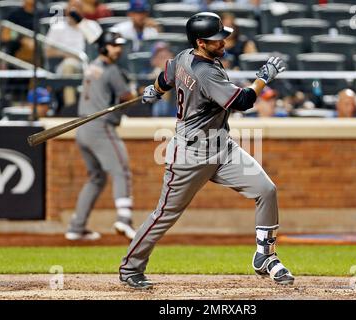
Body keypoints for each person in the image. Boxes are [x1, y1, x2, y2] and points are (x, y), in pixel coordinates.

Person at [119, 12, 294, 289]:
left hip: (222, 148)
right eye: (216, 40)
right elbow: (243, 101)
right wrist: (263, 78)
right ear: (200, 42)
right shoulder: (204, 71)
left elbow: (165, 77)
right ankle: (130, 268)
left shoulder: (183, 57)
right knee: (164, 215)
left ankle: (265, 256)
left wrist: (154, 89)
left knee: (266, 190)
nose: (223, 42)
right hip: (191, 155)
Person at [65, 31, 138, 241]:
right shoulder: (112, 70)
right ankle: (124, 220)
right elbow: (127, 98)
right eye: (115, 45)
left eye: (119, 45)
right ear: (104, 47)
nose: (119, 49)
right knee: (121, 171)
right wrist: (135, 92)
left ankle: (76, 227)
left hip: (83, 128)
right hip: (100, 127)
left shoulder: (92, 66)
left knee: (96, 178)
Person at [45, 0, 85, 108]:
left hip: (88, 65)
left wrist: (81, 24)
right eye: (73, 7)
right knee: (69, 64)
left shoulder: (88, 26)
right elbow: (48, 52)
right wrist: (66, 54)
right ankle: (70, 107)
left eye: (78, 7)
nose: (75, 10)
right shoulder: (58, 27)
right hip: (63, 65)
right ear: (67, 10)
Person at [150, 42, 176, 117]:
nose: (165, 60)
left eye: (166, 55)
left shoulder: (181, 72)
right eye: (160, 57)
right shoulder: (148, 75)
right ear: (153, 60)